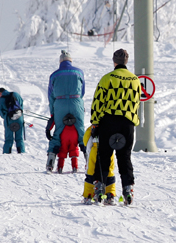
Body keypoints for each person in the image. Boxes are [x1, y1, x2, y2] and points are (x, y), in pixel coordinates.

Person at [90, 48, 141, 205]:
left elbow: (98, 103)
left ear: (114, 61)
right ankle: (127, 190)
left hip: (108, 123)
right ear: (126, 61)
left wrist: (95, 123)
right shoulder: (135, 80)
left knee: (104, 156)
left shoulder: (107, 79)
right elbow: (137, 103)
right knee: (124, 157)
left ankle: (100, 190)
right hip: (127, 124)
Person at [46, 50, 85, 172]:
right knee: (81, 132)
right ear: (70, 61)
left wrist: (53, 112)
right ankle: (89, 161)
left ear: (60, 62)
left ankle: (50, 162)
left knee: (58, 133)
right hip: (76, 102)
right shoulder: (79, 72)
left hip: (60, 104)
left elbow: (51, 95)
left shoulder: (54, 75)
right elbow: (82, 91)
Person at [82, 124, 117, 203]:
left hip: (95, 150)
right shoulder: (111, 126)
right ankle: (110, 194)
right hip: (109, 151)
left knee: (91, 172)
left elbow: (86, 141)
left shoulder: (92, 128)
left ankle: (89, 195)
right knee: (109, 172)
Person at [0, 87, 25, 153]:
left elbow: (1, 114)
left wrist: (7, 116)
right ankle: (21, 152)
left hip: (9, 119)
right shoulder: (16, 94)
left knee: (9, 139)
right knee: (20, 138)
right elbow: (21, 104)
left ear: (0, 93)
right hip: (19, 117)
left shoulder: (0, 100)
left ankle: (7, 153)